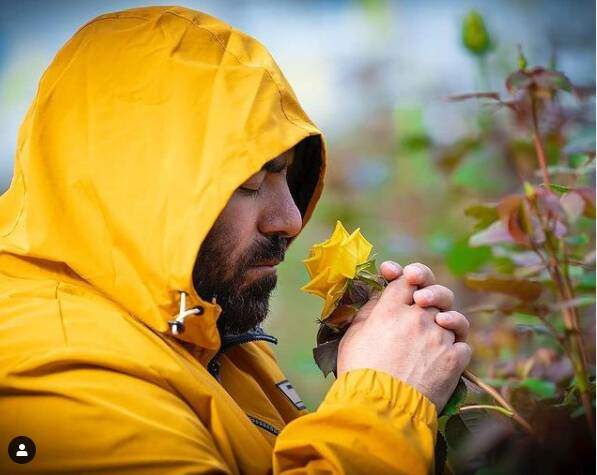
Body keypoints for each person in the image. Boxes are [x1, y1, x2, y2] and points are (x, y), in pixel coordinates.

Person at [0, 6, 471, 474]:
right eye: (248, 183)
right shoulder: (60, 370)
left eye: (288, 175)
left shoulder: (200, 325)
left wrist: (411, 396)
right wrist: (385, 399)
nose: (289, 219)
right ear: (136, 187)